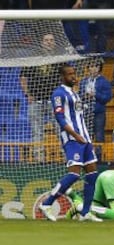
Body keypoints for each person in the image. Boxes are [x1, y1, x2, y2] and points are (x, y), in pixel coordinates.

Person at [39, 64, 101, 222]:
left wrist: (85, 137)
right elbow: (60, 119)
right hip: (72, 139)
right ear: (62, 77)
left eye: (74, 73)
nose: (73, 76)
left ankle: (85, 212)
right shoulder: (58, 94)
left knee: (92, 175)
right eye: (69, 74)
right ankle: (46, 204)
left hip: (85, 139)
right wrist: (75, 135)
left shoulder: (75, 94)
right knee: (74, 174)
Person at [20, 33, 64, 162]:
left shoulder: (60, 59)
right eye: (46, 40)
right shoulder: (33, 58)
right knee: (37, 131)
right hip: (36, 101)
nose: (49, 42)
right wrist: (27, 94)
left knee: (60, 128)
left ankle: (67, 156)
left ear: (55, 42)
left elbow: (66, 77)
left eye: (51, 40)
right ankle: (39, 158)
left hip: (54, 101)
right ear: (42, 42)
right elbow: (23, 77)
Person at [79, 58, 113, 143]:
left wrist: (95, 95)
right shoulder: (83, 81)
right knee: (85, 136)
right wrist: (83, 96)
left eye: (96, 66)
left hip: (98, 113)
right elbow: (79, 95)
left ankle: (99, 156)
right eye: (91, 66)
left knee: (99, 136)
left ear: (99, 68)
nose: (94, 68)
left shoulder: (104, 82)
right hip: (85, 112)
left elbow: (107, 97)